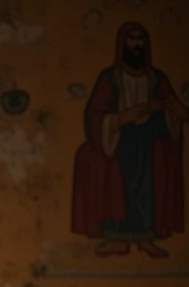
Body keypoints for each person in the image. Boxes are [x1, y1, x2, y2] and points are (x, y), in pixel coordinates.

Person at [71, 21, 187, 258]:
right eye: (131, 39)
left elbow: (173, 108)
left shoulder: (156, 79)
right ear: (122, 43)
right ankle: (117, 240)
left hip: (149, 141)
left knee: (149, 182)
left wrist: (166, 111)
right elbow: (94, 115)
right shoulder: (110, 78)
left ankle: (146, 238)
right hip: (117, 140)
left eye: (140, 39)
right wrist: (124, 117)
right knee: (102, 167)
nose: (136, 44)